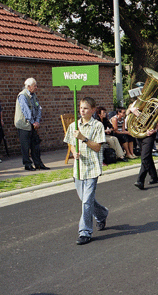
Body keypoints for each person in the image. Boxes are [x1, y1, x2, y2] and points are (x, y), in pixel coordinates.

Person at [64, 97, 109, 245]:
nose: (82, 111)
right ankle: (102, 214)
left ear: (93, 110)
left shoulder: (97, 126)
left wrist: (83, 138)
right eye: (81, 108)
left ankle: (85, 232)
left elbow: (97, 147)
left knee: (86, 202)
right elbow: (71, 143)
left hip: (92, 167)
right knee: (85, 200)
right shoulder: (73, 126)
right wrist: (74, 152)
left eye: (85, 108)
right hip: (78, 168)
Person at [14, 78, 49, 171]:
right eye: (35, 86)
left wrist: (37, 121)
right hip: (24, 125)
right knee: (25, 146)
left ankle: (38, 163)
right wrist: (33, 121)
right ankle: (27, 164)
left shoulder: (34, 96)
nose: (36, 87)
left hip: (33, 124)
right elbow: (26, 111)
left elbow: (38, 108)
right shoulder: (22, 96)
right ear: (28, 86)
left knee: (35, 145)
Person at [127, 103, 158, 190]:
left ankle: (140, 180)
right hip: (139, 134)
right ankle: (154, 177)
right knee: (148, 157)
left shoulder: (155, 105)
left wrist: (155, 130)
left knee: (145, 157)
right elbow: (127, 112)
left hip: (149, 134)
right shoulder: (137, 103)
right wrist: (130, 110)